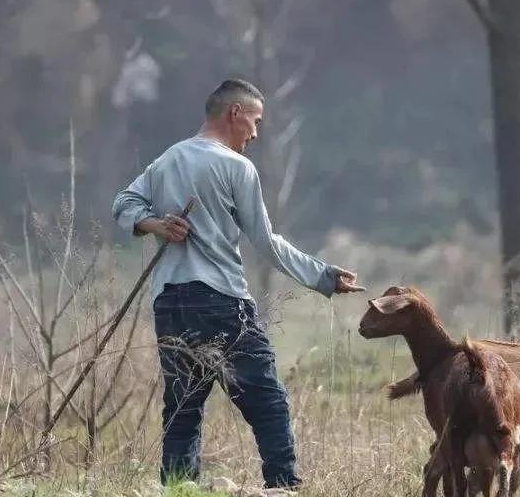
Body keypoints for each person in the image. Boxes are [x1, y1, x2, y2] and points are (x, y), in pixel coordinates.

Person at [112, 78, 364, 489]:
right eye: (256, 121)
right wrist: (323, 276)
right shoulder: (236, 167)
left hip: (170, 303)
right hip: (221, 302)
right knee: (268, 404)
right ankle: (282, 488)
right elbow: (266, 241)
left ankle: (179, 490)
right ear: (235, 113)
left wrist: (153, 224)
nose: (256, 133)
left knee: (182, 411)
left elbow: (123, 203)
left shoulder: (166, 161)